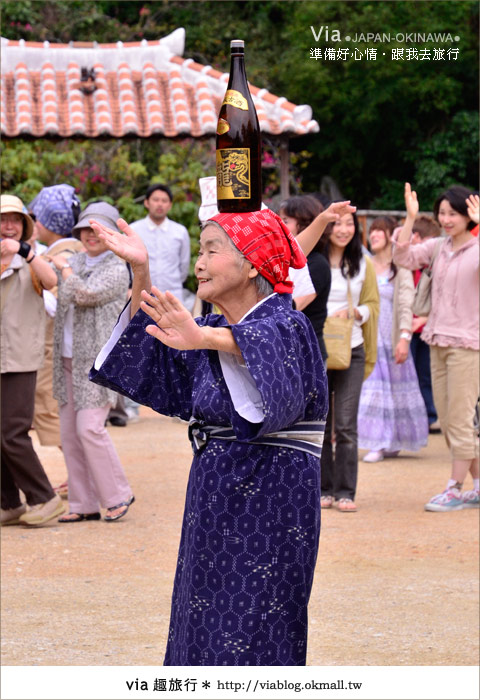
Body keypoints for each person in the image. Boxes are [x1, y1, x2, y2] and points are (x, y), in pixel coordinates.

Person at [89, 208, 329, 666]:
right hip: (214, 491)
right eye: (199, 250)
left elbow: (266, 348)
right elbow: (154, 343)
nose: (198, 262)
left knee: (258, 619)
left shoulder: (287, 322)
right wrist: (140, 271)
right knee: (200, 616)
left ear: (253, 263)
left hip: (271, 496)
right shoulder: (211, 329)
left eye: (212, 250)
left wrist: (201, 337)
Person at [393, 183, 479, 511]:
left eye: (453, 213)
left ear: (468, 215)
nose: (446, 219)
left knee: (458, 420)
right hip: (437, 339)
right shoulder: (438, 246)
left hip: (469, 345)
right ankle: (477, 488)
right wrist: (411, 218)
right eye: (442, 213)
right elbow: (403, 256)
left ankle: (455, 488)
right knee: (447, 417)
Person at [49, 202, 134, 523]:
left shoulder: (116, 267)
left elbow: (83, 293)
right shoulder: (74, 260)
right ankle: (82, 504)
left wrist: (65, 271)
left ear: (110, 232)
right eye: (86, 228)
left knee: (90, 429)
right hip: (67, 359)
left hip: (97, 363)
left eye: (98, 228)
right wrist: (63, 269)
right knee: (70, 434)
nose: (90, 234)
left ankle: (118, 495)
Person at [0, 194, 65, 526]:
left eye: (15, 220)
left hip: (22, 357)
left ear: (25, 226)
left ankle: (45, 498)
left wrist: (24, 253)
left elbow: (53, 282)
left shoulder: (34, 258)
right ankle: (9, 503)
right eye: (2, 220)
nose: (8, 226)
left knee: (12, 432)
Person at [316, 210, 380, 512]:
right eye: (337, 224)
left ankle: (345, 491)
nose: (343, 230)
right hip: (318, 348)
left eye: (349, 224)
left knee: (344, 424)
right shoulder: (313, 261)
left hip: (351, 347)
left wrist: (355, 313)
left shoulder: (362, 263)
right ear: (326, 226)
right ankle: (323, 488)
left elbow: (371, 304)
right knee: (320, 422)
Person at [29, 184, 85, 498]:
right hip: (65, 343)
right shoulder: (73, 250)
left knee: (52, 409)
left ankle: (80, 474)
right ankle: (78, 473)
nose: (34, 223)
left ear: (51, 221)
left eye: (38, 217)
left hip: (53, 343)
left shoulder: (59, 256)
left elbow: (53, 299)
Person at [358, 216, 429, 462]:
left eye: (380, 231)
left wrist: (404, 338)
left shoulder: (400, 267)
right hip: (369, 340)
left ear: (391, 236)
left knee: (396, 393)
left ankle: (392, 441)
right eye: (372, 231)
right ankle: (378, 441)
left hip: (392, 338)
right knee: (372, 391)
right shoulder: (362, 263)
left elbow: (406, 304)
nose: (374, 235)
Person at [279, 194, 331, 362]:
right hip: (286, 352)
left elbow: (292, 307)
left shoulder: (317, 264)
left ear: (304, 226)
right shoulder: (283, 260)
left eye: (285, 221)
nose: (279, 226)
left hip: (308, 356)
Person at [408, 215, 442, 433]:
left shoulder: (434, 264)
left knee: (426, 374)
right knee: (409, 376)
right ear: (417, 238)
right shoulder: (407, 264)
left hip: (427, 328)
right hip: (407, 329)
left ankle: (430, 415)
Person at [130, 183, 191, 303]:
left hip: (172, 296)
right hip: (141, 296)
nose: (160, 204)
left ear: (170, 205)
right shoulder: (133, 230)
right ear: (146, 202)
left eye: (164, 201)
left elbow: (184, 267)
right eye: (156, 200)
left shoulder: (180, 231)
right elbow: (126, 264)